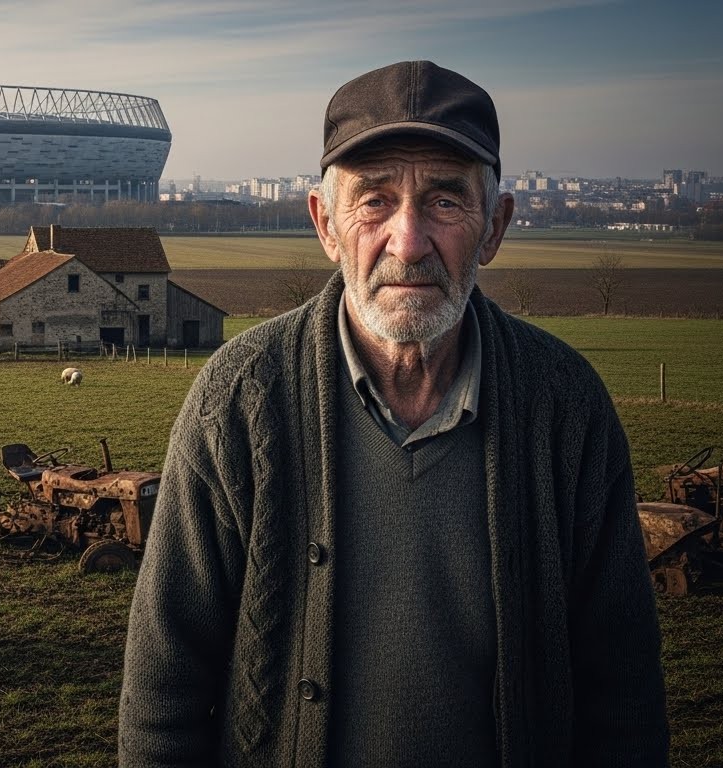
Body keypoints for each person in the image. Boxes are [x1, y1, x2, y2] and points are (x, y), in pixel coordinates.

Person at [119, 61, 667, 767]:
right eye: (373, 201)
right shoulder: (237, 400)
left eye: (443, 202)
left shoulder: (564, 405)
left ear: (493, 226)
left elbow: (622, 696)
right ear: (325, 224)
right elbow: (163, 693)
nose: (406, 244)